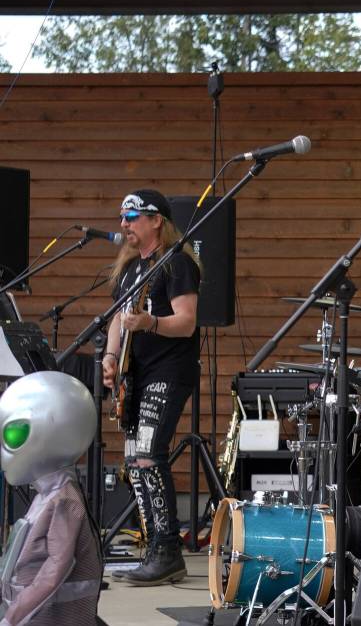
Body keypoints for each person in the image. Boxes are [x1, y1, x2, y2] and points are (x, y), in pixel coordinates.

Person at [102, 189, 201, 586]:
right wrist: (111, 357)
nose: (124, 223)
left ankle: (167, 550)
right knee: (133, 460)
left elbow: (188, 321)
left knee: (148, 455)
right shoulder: (130, 270)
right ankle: (155, 544)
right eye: (122, 217)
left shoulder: (176, 264)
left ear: (156, 220)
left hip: (168, 371)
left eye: (132, 216)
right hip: (136, 374)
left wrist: (151, 324)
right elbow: (115, 319)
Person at [0, 371, 102, 626]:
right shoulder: (49, 494)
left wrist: (13, 617)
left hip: (53, 618)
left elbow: (55, 571)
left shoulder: (64, 500)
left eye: (13, 434)